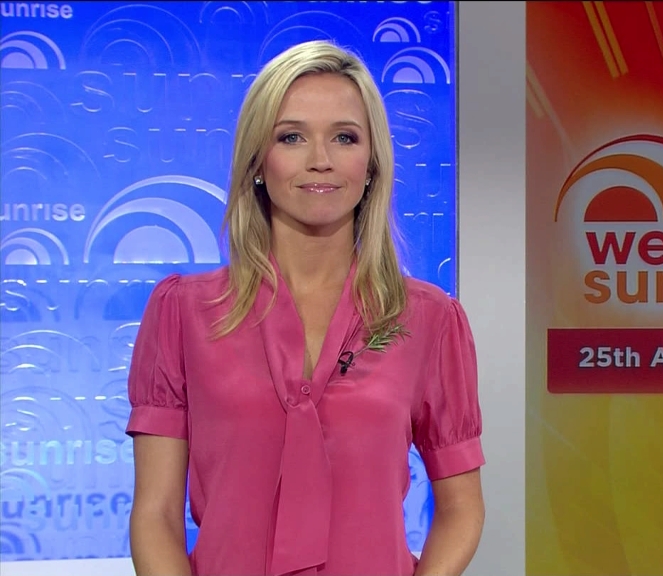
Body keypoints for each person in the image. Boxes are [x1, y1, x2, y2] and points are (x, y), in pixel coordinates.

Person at [125, 40, 486, 576]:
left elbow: (461, 508)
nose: (321, 159)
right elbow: (155, 514)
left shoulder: (429, 320)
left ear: (371, 164)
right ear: (258, 161)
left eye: (344, 137)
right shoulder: (182, 313)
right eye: (291, 137)